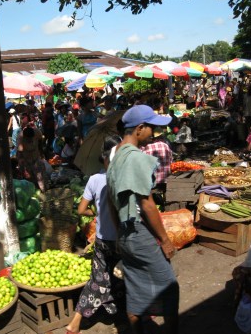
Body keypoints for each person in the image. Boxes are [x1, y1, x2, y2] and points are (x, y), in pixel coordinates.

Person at [106, 105, 179, 334]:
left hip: (126, 233)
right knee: (169, 286)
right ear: (139, 129)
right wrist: (165, 240)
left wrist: (118, 232)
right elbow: (146, 203)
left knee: (136, 284)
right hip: (138, 230)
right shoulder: (135, 157)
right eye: (151, 128)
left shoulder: (116, 154)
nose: (154, 132)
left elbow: (110, 200)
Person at [65, 136, 124, 334]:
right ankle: (128, 318)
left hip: (101, 239)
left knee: (98, 279)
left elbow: (81, 210)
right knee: (126, 276)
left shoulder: (93, 179)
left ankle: (75, 323)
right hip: (120, 239)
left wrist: (97, 212)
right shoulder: (121, 178)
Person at [17, 126, 48, 192]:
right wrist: (24, 168)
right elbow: (20, 155)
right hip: (26, 159)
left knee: (41, 176)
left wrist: (42, 153)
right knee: (31, 178)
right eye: (28, 139)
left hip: (36, 157)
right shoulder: (20, 138)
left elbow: (40, 142)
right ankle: (35, 191)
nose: (30, 140)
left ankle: (44, 190)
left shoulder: (37, 132)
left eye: (31, 138)